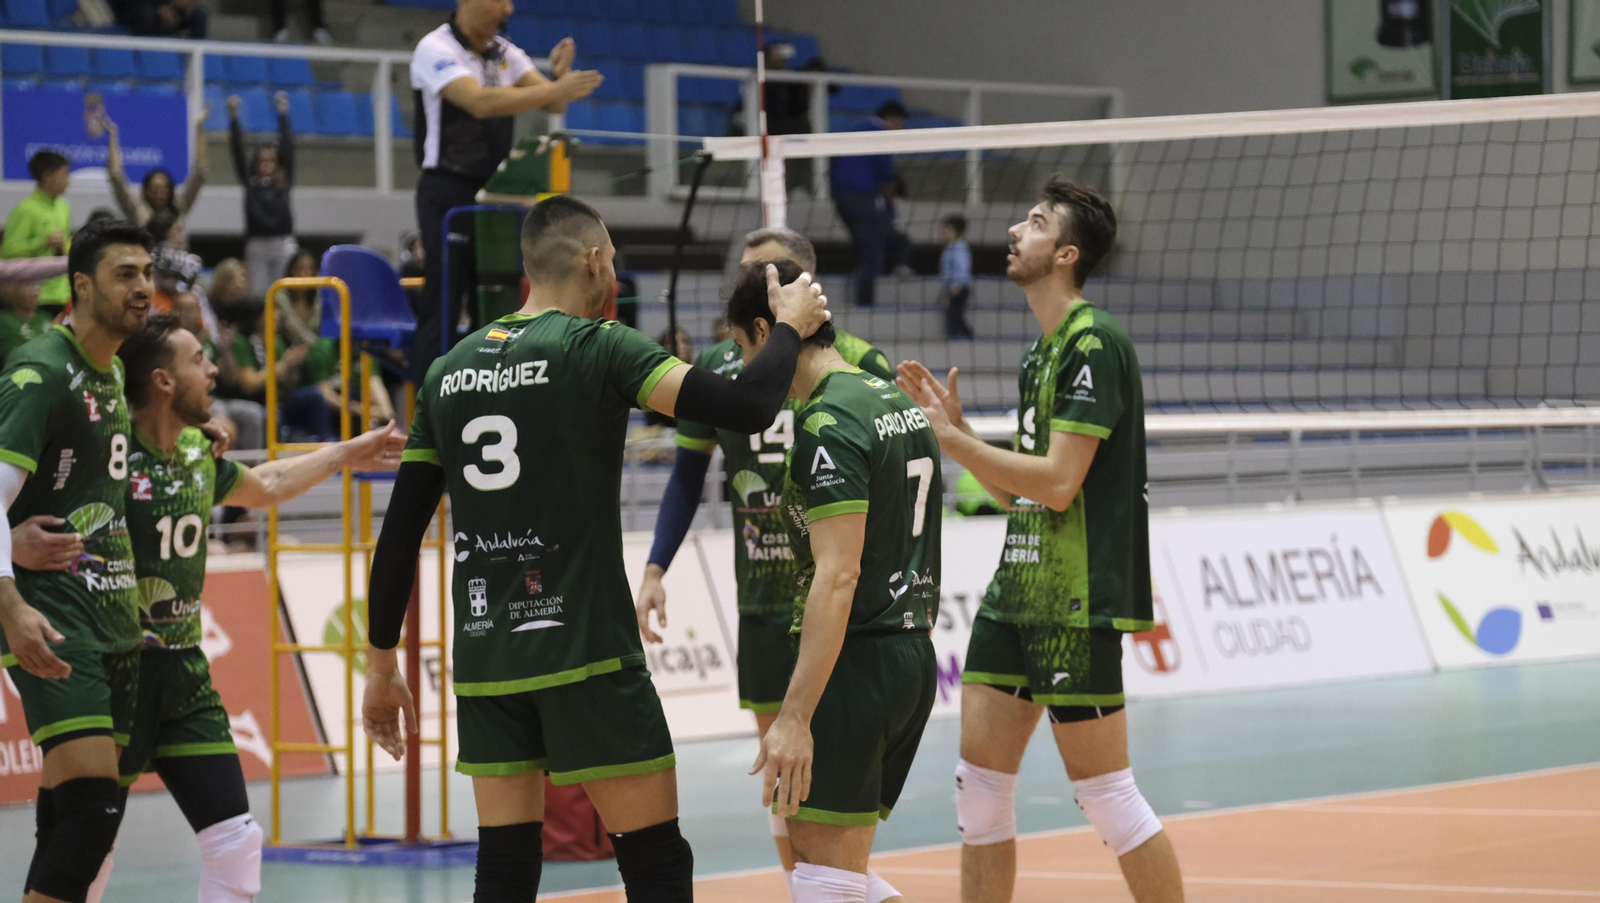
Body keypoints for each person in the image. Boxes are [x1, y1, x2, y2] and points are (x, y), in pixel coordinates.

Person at [360, 194, 830, 903]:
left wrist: (380, 662)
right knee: (656, 865)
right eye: (611, 256)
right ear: (591, 259)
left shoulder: (447, 371)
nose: (613, 271)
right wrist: (791, 327)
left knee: (507, 872)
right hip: (587, 653)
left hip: (490, 660)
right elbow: (747, 405)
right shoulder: (599, 346)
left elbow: (400, 534)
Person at [10, 314, 405, 903]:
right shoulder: (107, 459)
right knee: (82, 839)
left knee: (236, 839)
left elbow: (265, 486)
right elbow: (33, 493)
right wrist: (14, 541)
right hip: (113, 669)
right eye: (200, 358)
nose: (215, 368)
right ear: (164, 381)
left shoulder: (197, 451)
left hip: (184, 675)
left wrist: (345, 452)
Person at [897, 177, 1186, 903]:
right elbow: (1021, 496)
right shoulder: (1041, 352)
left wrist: (955, 440)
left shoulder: (1094, 343)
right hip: (1015, 596)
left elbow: (1058, 483)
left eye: (1032, 222)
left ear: (1064, 253)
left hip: (1074, 602)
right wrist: (962, 437)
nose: (1014, 231)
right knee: (979, 793)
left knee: (1107, 797)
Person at [635, 226, 898, 895]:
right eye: (751, 277)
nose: (761, 290)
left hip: (840, 599)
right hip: (763, 597)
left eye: (772, 277)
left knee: (832, 800)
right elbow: (688, 476)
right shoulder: (722, 369)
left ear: (806, 286)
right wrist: (657, 566)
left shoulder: (862, 363)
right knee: (786, 784)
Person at [709, 259, 941, 903]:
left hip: (855, 664)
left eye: (742, 350)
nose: (747, 369)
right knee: (846, 869)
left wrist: (794, 715)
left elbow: (839, 575)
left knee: (821, 871)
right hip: (910, 653)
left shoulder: (825, 420)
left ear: (767, 330)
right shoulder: (894, 401)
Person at [0, 218, 152, 903]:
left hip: (110, 621)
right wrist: (12, 606)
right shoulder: (40, 371)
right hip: (50, 614)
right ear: (82, 285)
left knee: (71, 810)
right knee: (93, 811)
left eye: (148, 274)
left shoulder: (114, 370)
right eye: (127, 274)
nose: (144, 288)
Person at [408, 0, 603, 382]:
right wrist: (553, 90)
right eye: (499, 0)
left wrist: (557, 79)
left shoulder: (505, 51)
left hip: (497, 192)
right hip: (448, 190)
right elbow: (478, 102)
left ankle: (492, 389)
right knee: (445, 297)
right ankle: (428, 405)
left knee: (497, 299)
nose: (508, 9)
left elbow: (555, 100)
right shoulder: (436, 48)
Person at [829, 101, 910, 308]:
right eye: (899, 126)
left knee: (868, 245)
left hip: (841, 200)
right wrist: (891, 199)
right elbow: (886, 174)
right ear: (894, 121)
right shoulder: (879, 133)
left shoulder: (855, 130)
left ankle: (873, 276)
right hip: (862, 199)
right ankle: (866, 305)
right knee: (873, 251)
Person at [228, 92, 298, 301]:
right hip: (257, 242)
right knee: (258, 294)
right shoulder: (250, 183)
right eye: (262, 161)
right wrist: (234, 119)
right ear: (256, 164)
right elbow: (238, 152)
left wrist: (283, 115)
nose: (266, 165)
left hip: (283, 242)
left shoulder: (283, 183)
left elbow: (289, 149)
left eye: (271, 162)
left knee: (284, 294)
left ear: (277, 165)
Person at [105, 106, 209, 229]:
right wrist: (112, 135)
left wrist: (199, 128)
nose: (160, 194)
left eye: (165, 189)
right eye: (155, 189)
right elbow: (116, 177)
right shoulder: (137, 212)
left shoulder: (179, 209)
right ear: (146, 190)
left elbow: (200, 173)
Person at [2, 151, 73, 314]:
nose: (68, 180)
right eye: (64, 174)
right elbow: (8, 252)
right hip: (37, 298)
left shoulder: (64, 207)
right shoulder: (25, 210)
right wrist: (43, 242)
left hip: (62, 294)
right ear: (48, 176)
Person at [940, 213, 974, 338]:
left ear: (957, 231)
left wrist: (957, 285)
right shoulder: (950, 248)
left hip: (959, 288)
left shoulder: (959, 248)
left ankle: (966, 336)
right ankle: (959, 336)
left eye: (947, 229)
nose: (943, 232)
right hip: (952, 287)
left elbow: (962, 268)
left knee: (955, 314)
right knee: (953, 314)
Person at [113, 0, 207, 37]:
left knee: (198, 15)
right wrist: (158, 8)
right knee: (147, 14)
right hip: (135, 9)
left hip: (170, 8)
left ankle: (193, 60)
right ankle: (148, 57)